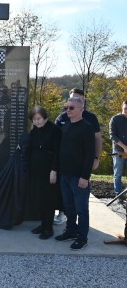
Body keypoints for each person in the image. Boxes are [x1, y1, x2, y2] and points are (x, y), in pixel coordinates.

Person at [54, 88, 102, 225]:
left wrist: (96, 158)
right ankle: (67, 223)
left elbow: (97, 139)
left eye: (77, 99)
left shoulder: (90, 120)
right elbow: (55, 141)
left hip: (80, 167)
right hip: (65, 169)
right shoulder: (62, 117)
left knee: (80, 203)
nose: (70, 107)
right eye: (70, 99)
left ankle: (81, 234)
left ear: (82, 101)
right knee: (66, 199)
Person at [55, 97, 95, 250]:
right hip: (64, 175)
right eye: (67, 107)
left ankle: (82, 237)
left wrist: (85, 176)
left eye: (71, 108)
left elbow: (89, 154)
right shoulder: (65, 127)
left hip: (79, 177)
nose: (68, 110)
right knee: (68, 207)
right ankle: (70, 231)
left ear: (80, 110)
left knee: (81, 209)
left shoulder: (87, 128)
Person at [28, 106, 61, 239]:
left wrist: (54, 170)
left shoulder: (54, 130)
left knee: (49, 199)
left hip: (49, 170)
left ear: (45, 117)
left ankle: (49, 228)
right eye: (34, 119)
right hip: (36, 170)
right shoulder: (35, 130)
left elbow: (58, 152)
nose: (36, 121)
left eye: (39, 118)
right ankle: (42, 224)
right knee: (39, 198)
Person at [109, 100, 127, 198]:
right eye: (125, 109)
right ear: (122, 107)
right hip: (119, 151)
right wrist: (124, 147)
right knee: (118, 172)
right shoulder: (115, 119)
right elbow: (112, 135)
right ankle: (118, 194)